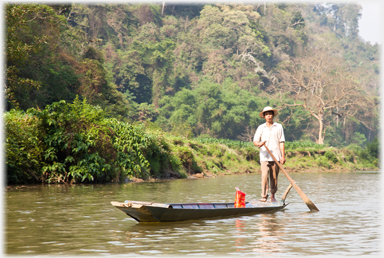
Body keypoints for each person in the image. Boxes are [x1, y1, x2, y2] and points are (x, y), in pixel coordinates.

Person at [253, 106, 286, 202]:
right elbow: (255, 141)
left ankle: (272, 195)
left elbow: (281, 142)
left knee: (274, 177)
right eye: (266, 114)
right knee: (264, 176)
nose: (268, 116)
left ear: (273, 115)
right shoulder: (261, 127)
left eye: (270, 114)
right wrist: (259, 143)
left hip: (276, 156)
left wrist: (282, 156)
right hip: (264, 156)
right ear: (264, 116)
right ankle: (264, 196)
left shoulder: (278, 126)